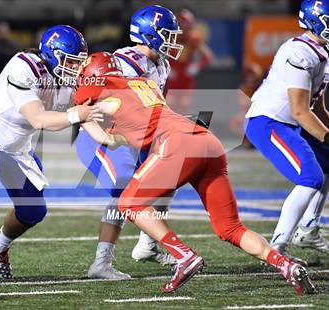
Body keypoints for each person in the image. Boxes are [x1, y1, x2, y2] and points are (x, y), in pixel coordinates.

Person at [75, 51, 316, 295]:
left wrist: (104, 131)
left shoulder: (95, 89)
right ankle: (286, 266)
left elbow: (100, 135)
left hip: (176, 144)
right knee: (230, 228)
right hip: (207, 141)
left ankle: (184, 256)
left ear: (93, 76)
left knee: (129, 202)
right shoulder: (145, 83)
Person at [0, 25, 101, 288]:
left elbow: (85, 115)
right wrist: (79, 114)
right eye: (70, 61)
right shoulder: (23, 67)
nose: (75, 68)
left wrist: (108, 137)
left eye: (78, 63)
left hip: (16, 145)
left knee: (33, 210)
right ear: (52, 54)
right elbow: (39, 119)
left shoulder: (68, 80)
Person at [75, 4, 183, 280]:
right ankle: (101, 263)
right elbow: (89, 94)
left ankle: (147, 246)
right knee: (123, 189)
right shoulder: (125, 61)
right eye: (168, 34)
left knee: (167, 179)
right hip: (104, 134)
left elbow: (154, 107)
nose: (173, 40)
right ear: (150, 34)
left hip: (135, 136)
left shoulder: (162, 64)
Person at [245, 0, 329, 266]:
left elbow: (317, 107)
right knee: (311, 176)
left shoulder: (321, 52)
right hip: (269, 122)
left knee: (326, 163)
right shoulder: (299, 51)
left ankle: (308, 230)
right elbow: (299, 110)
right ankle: (278, 246)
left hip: (290, 121)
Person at [165, 9, 213, 115]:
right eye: (181, 25)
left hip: (185, 75)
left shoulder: (193, 37)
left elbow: (208, 56)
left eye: (186, 26)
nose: (183, 29)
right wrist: (166, 67)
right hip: (174, 73)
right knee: (169, 104)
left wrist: (197, 66)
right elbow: (159, 54)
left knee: (184, 105)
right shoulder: (170, 37)